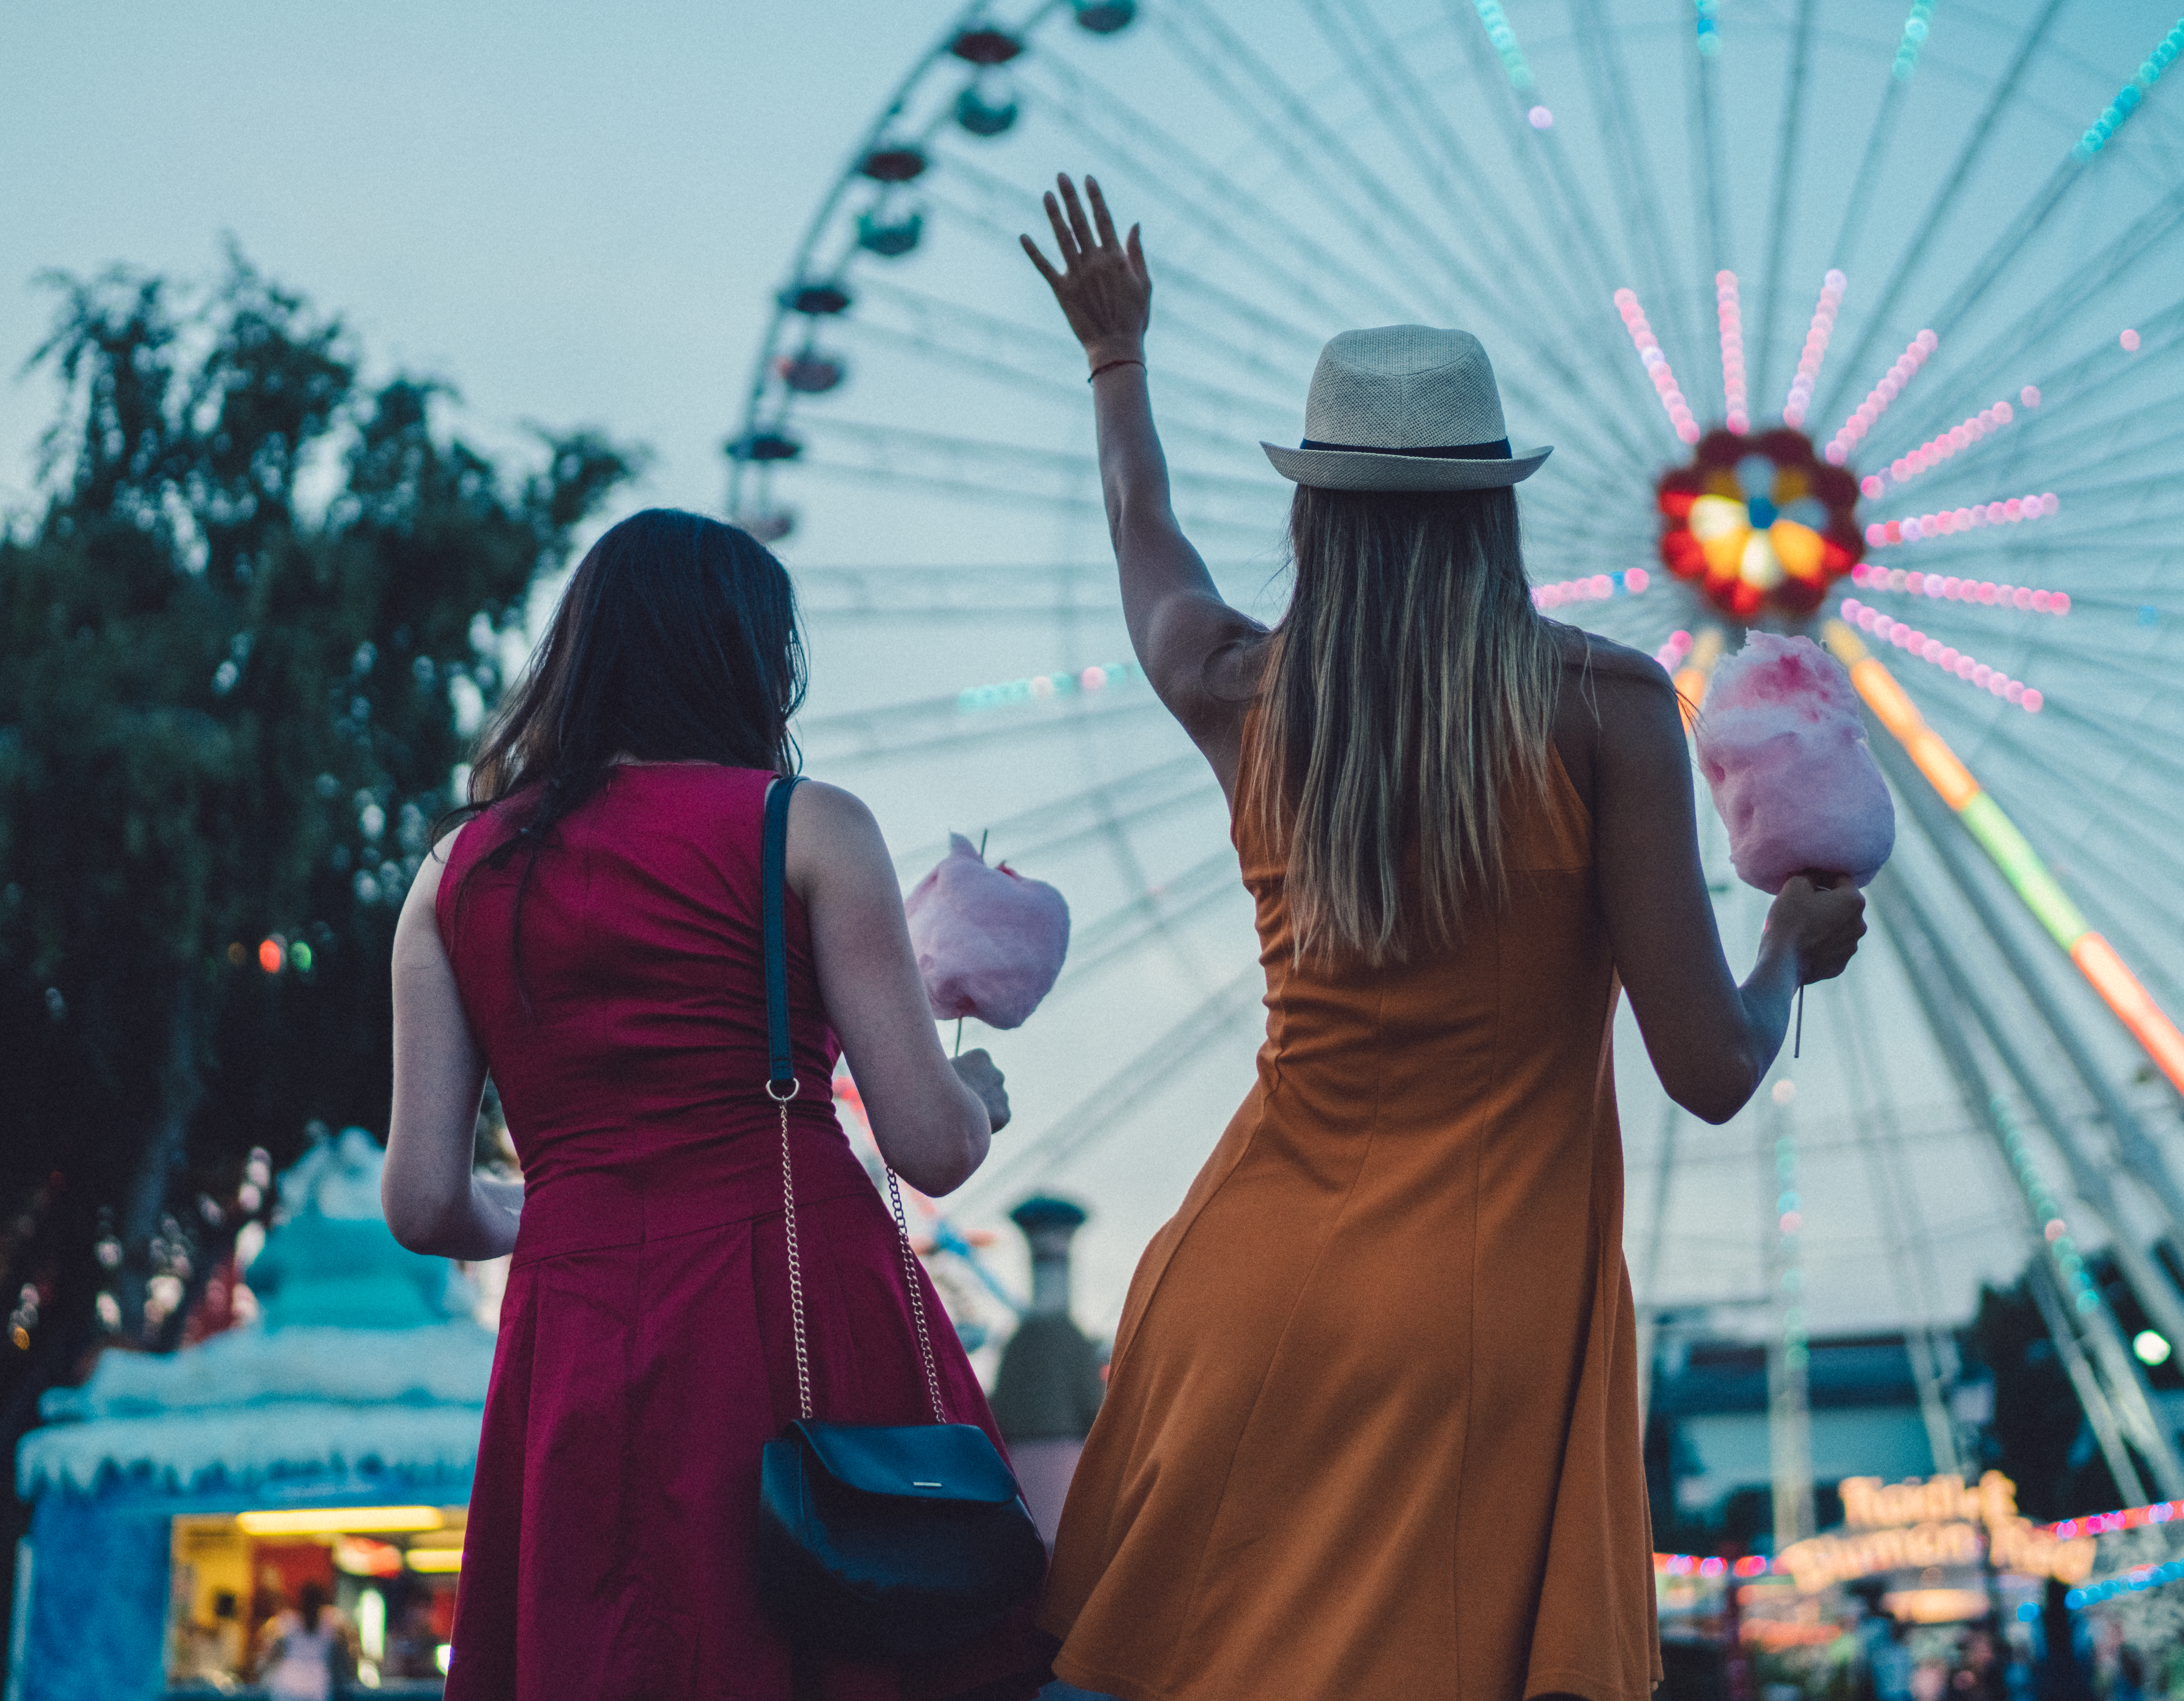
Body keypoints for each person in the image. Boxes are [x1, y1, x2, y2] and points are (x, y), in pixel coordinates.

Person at [1017, 176, 1869, 1701]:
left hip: (1246, 1289)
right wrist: (1789, 945)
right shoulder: (1605, 707)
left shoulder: (1243, 689)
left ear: (1311, 504)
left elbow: (1150, 543)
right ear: (1499, 501)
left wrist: (1116, 358)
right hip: (1480, 1319)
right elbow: (1712, 1067)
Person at [381, 507, 1045, 1701]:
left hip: (575, 1321)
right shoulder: (808, 826)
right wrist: (977, 1095)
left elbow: (425, 1199)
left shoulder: (453, 874)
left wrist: (566, 1204)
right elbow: (929, 1145)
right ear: (754, 661)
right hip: (791, 1296)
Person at [247, 1580, 343, 1701]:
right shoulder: (332, 1622)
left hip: (288, 1685)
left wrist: (258, 1671)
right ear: (322, 1602)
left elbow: (272, 1654)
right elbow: (341, 1656)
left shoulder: (289, 1622)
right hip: (316, 1687)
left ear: (301, 1601)